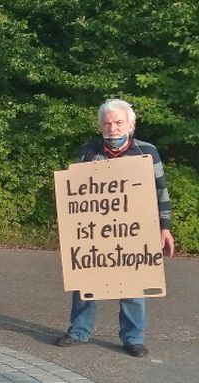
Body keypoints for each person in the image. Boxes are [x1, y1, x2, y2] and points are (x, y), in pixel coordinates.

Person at [54, 99, 175, 358]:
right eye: (107, 123)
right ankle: (78, 331)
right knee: (86, 279)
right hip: (94, 232)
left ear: (131, 125)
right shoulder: (88, 151)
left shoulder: (147, 152)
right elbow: (77, 195)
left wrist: (164, 227)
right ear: (100, 126)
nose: (113, 128)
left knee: (133, 283)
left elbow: (161, 191)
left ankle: (133, 338)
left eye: (119, 122)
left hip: (134, 231)